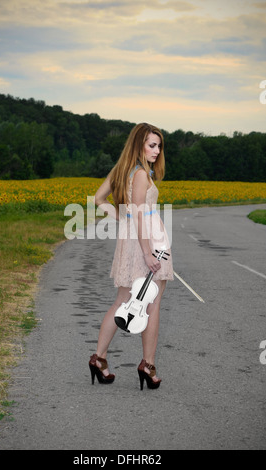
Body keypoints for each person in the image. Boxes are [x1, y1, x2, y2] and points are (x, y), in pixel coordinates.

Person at [89, 123, 174, 390]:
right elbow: (137, 213)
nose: (157, 151)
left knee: (123, 301)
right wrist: (148, 252)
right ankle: (147, 365)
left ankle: (98, 359)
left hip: (134, 239)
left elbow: (99, 199)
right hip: (146, 243)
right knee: (152, 304)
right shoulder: (139, 175)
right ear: (139, 145)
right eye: (152, 145)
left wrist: (122, 219)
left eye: (159, 146)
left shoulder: (124, 169)